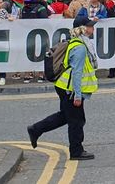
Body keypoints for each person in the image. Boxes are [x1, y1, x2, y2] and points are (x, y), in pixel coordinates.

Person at [27, 16, 98, 161]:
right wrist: (77, 95)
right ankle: (76, 151)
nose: (93, 28)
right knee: (77, 120)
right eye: (90, 26)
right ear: (83, 29)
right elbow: (77, 73)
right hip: (70, 89)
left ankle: (36, 129)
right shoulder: (79, 47)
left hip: (64, 86)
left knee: (66, 116)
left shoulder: (79, 43)